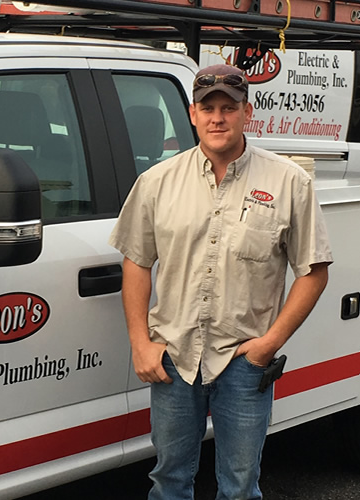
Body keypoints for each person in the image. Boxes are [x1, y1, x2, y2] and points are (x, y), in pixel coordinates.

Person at [109, 64, 332, 500]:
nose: (217, 118)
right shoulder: (156, 183)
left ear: (247, 112)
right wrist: (140, 342)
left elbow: (314, 272)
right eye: (207, 108)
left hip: (244, 362)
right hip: (174, 359)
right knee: (169, 480)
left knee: (240, 486)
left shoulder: (289, 182)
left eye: (228, 108)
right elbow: (135, 263)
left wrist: (269, 344)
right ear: (192, 114)